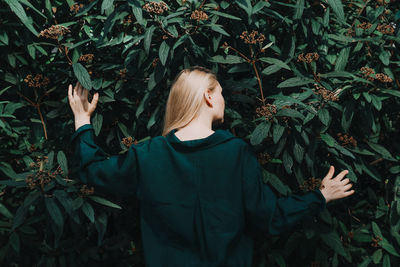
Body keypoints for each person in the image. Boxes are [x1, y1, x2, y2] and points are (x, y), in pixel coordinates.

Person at [68, 66, 355, 267]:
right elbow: (270, 218)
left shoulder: (147, 155)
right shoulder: (236, 153)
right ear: (207, 96)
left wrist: (82, 122)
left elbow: (94, 171)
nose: (223, 100)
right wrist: (320, 197)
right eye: (219, 93)